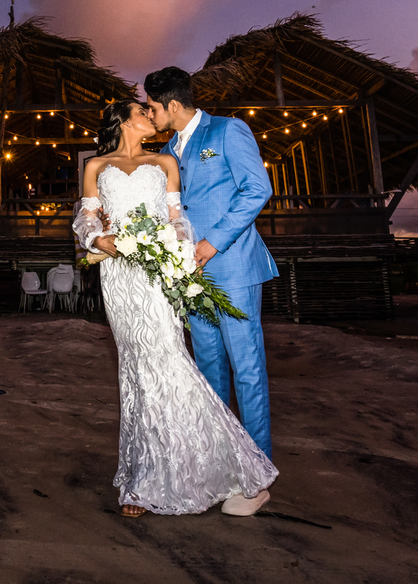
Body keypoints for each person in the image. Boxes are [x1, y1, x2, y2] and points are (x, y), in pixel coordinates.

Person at [73, 99, 277, 519]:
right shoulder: (95, 166)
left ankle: (200, 464)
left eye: (151, 109)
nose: (150, 116)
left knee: (168, 359)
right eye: (142, 112)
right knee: (135, 367)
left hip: (157, 275)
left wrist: (177, 258)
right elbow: (86, 219)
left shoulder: (165, 162)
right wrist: (98, 240)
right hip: (119, 277)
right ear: (123, 121)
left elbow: (177, 219)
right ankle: (143, 472)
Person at [144, 66, 279, 515]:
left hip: (234, 268)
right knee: (208, 374)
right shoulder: (167, 150)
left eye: (153, 107)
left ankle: (257, 478)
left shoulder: (227, 131)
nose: (150, 114)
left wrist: (213, 241)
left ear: (173, 104)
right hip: (191, 277)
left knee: (247, 371)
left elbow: (257, 189)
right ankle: (222, 467)